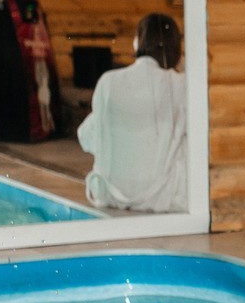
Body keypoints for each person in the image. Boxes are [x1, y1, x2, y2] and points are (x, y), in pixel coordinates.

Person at [77, 12, 191, 212]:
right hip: (163, 196)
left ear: (137, 43)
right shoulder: (179, 84)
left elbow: (86, 137)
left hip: (110, 193)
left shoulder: (108, 81)